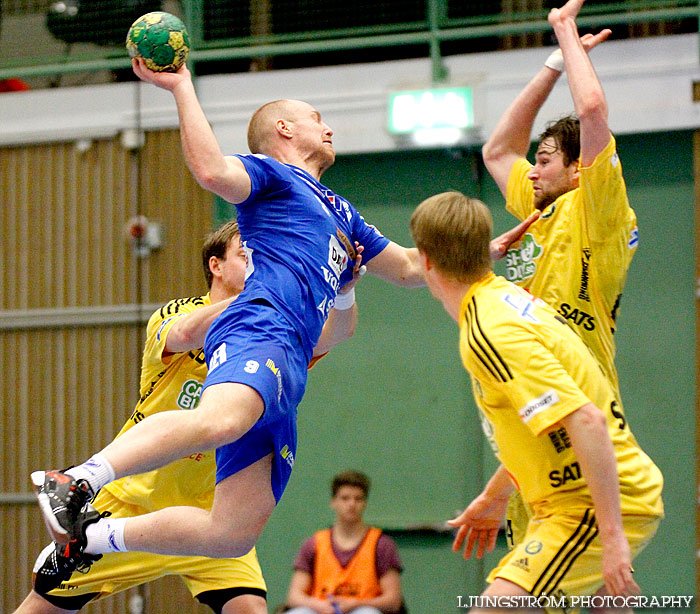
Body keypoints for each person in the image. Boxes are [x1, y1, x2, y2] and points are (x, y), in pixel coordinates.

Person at [31, 55, 534, 574]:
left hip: (292, 359)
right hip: (261, 322)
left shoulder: (342, 213)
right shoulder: (272, 176)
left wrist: (482, 251)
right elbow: (209, 170)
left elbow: (408, 267)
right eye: (318, 117)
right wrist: (182, 87)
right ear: (285, 129)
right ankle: (78, 479)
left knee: (230, 533)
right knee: (222, 419)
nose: (329, 126)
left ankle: (92, 536)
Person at [17, 221, 362, 614]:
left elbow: (335, 334)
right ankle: (84, 503)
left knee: (249, 608)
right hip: (135, 504)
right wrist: (265, 295)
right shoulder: (182, 312)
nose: (259, 263)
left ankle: (94, 528)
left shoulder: (271, 330)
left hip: (210, 514)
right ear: (216, 266)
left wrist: (344, 292)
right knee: (42, 608)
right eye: (246, 254)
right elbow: (183, 333)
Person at [410, 190, 663, 612]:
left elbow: (586, 422)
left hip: (586, 506)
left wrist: (612, 536)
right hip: (591, 496)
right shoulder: (509, 300)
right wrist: (494, 495)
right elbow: (547, 428)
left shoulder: (490, 330)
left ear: (427, 259)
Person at [474, 0, 637, 553]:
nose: (533, 169)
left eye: (545, 159)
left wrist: (564, 31)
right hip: (533, 409)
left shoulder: (597, 207)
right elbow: (496, 150)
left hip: (578, 403)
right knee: (549, 581)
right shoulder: (537, 206)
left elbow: (591, 110)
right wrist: (551, 64)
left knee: (587, 574)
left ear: (575, 169)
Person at [284, 470, 404, 614]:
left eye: (358, 498)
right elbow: (294, 596)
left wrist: (355, 604)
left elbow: (392, 600)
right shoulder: (314, 543)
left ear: (365, 503)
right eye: (345, 498)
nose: (352, 504)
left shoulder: (382, 544)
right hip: (323, 610)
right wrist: (319, 606)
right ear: (333, 502)